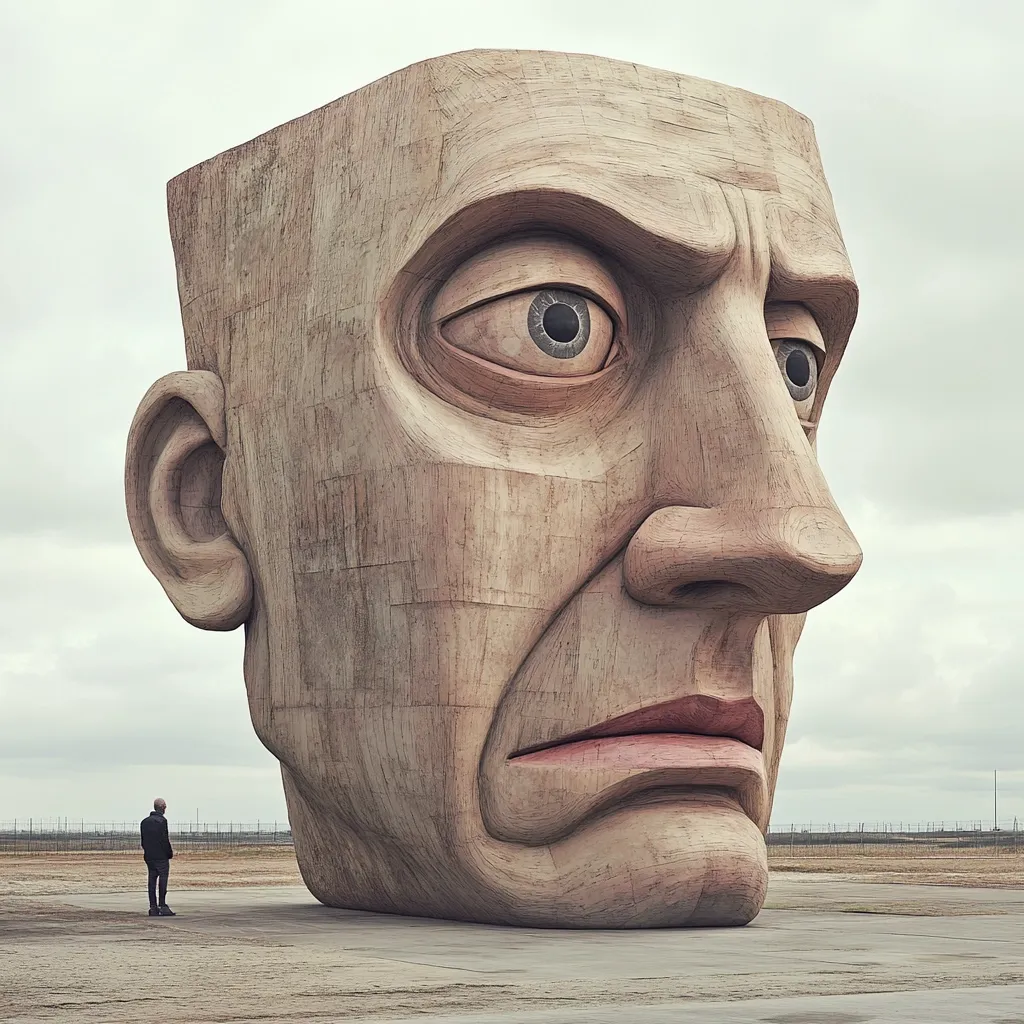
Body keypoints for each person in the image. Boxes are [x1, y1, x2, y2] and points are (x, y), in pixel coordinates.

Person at [140, 797, 175, 917]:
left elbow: (143, 841)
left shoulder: (144, 822)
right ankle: (162, 905)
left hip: (150, 856)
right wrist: (169, 853)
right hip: (161, 856)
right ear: (163, 808)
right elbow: (164, 840)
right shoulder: (162, 821)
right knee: (163, 880)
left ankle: (153, 906)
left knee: (151, 881)